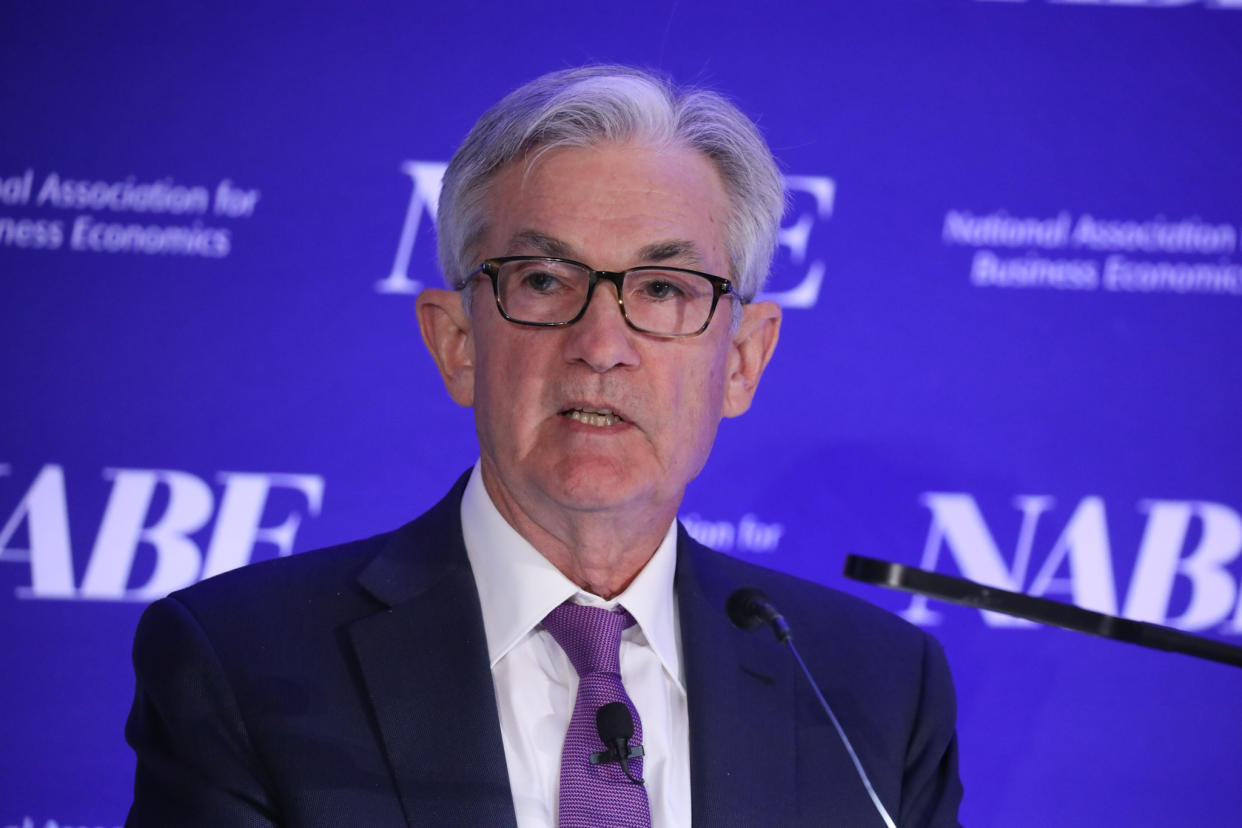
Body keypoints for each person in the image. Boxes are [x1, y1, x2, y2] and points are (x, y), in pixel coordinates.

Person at [125, 65, 963, 827]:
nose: (602, 344)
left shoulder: (876, 692)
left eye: (664, 288)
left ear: (741, 362)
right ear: (456, 342)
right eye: (542, 281)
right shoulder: (243, 664)